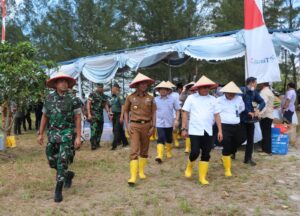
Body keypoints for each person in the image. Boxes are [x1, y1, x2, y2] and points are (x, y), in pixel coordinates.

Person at [37, 72, 81, 203]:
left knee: (62, 160)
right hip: (52, 134)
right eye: (61, 81)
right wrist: (40, 133)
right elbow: (45, 116)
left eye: (66, 81)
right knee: (51, 159)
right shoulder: (49, 99)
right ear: (55, 84)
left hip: (67, 134)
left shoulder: (73, 99)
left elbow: (78, 118)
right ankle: (67, 175)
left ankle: (58, 189)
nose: (64, 83)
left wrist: (78, 136)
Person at [182, 76, 222, 185]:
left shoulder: (213, 99)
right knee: (195, 151)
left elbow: (217, 115)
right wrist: (184, 128)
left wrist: (220, 130)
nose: (205, 89)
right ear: (198, 88)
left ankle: (202, 177)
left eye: (207, 87)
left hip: (208, 130)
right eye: (203, 87)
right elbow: (185, 112)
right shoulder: (191, 98)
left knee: (206, 153)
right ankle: (189, 166)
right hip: (195, 129)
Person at [124, 73, 156, 186]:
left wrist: (153, 126)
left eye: (145, 83)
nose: (144, 85)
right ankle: (133, 176)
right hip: (134, 126)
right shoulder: (130, 97)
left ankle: (141, 171)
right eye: (141, 83)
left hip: (147, 126)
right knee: (134, 150)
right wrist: (127, 124)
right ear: (137, 85)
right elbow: (126, 111)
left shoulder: (150, 98)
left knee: (144, 149)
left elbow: (153, 112)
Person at [217, 81, 245, 177]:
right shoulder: (219, 100)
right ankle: (227, 169)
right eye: (229, 93)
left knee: (241, 139)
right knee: (227, 144)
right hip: (224, 125)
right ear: (225, 92)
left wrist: (234, 115)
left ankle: (227, 155)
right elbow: (216, 113)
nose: (231, 95)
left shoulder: (239, 99)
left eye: (233, 93)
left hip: (236, 125)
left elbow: (241, 108)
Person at [240, 77, 265, 166]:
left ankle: (248, 158)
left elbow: (262, 102)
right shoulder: (242, 90)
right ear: (251, 82)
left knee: (250, 139)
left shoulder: (254, 92)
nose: (256, 84)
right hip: (241, 119)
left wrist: (258, 110)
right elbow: (240, 103)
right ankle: (231, 152)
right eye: (255, 83)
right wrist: (248, 111)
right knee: (240, 138)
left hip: (251, 120)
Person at [154, 81, 180, 163]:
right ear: (158, 91)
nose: (163, 91)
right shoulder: (155, 100)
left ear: (168, 90)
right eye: (161, 89)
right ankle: (160, 156)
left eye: (165, 89)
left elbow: (178, 110)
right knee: (160, 138)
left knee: (169, 139)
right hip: (159, 123)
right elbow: (152, 111)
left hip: (169, 123)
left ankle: (169, 152)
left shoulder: (173, 99)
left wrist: (176, 120)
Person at [87, 83, 110, 150]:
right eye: (99, 87)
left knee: (100, 130)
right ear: (97, 87)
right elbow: (88, 103)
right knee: (94, 130)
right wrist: (89, 114)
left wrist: (108, 112)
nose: (100, 88)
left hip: (100, 115)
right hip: (93, 115)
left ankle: (97, 143)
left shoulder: (103, 96)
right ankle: (93, 145)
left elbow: (105, 104)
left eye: (101, 87)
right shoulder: (92, 94)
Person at [110, 82, 129, 150]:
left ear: (116, 89)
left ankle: (114, 145)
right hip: (114, 115)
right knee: (120, 130)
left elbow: (123, 106)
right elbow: (111, 106)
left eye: (113, 88)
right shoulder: (112, 97)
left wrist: (121, 116)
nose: (112, 89)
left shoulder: (120, 96)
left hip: (119, 115)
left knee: (116, 130)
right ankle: (125, 142)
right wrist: (110, 113)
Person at [258, 82, 274, 155]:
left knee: (266, 133)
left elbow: (263, 104)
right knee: (265, 133)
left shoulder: (264, 92)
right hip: (269, 114)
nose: (258, 85)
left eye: (259, 83)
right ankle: (265, 149)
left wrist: (258, 113)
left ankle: (267, 150)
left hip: (266, 115)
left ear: (263, 84)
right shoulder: (269, 91)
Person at [179, 82, 195, 153]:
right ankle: (187, 148)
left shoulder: (200, 96)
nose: (192, 91)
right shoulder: (186, 96)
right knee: (187, 131)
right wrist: (184, 90)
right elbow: (180, 98)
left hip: (196, 117)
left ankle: (194, 146)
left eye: (193, 89)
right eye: (190, 89)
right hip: (187, 116)